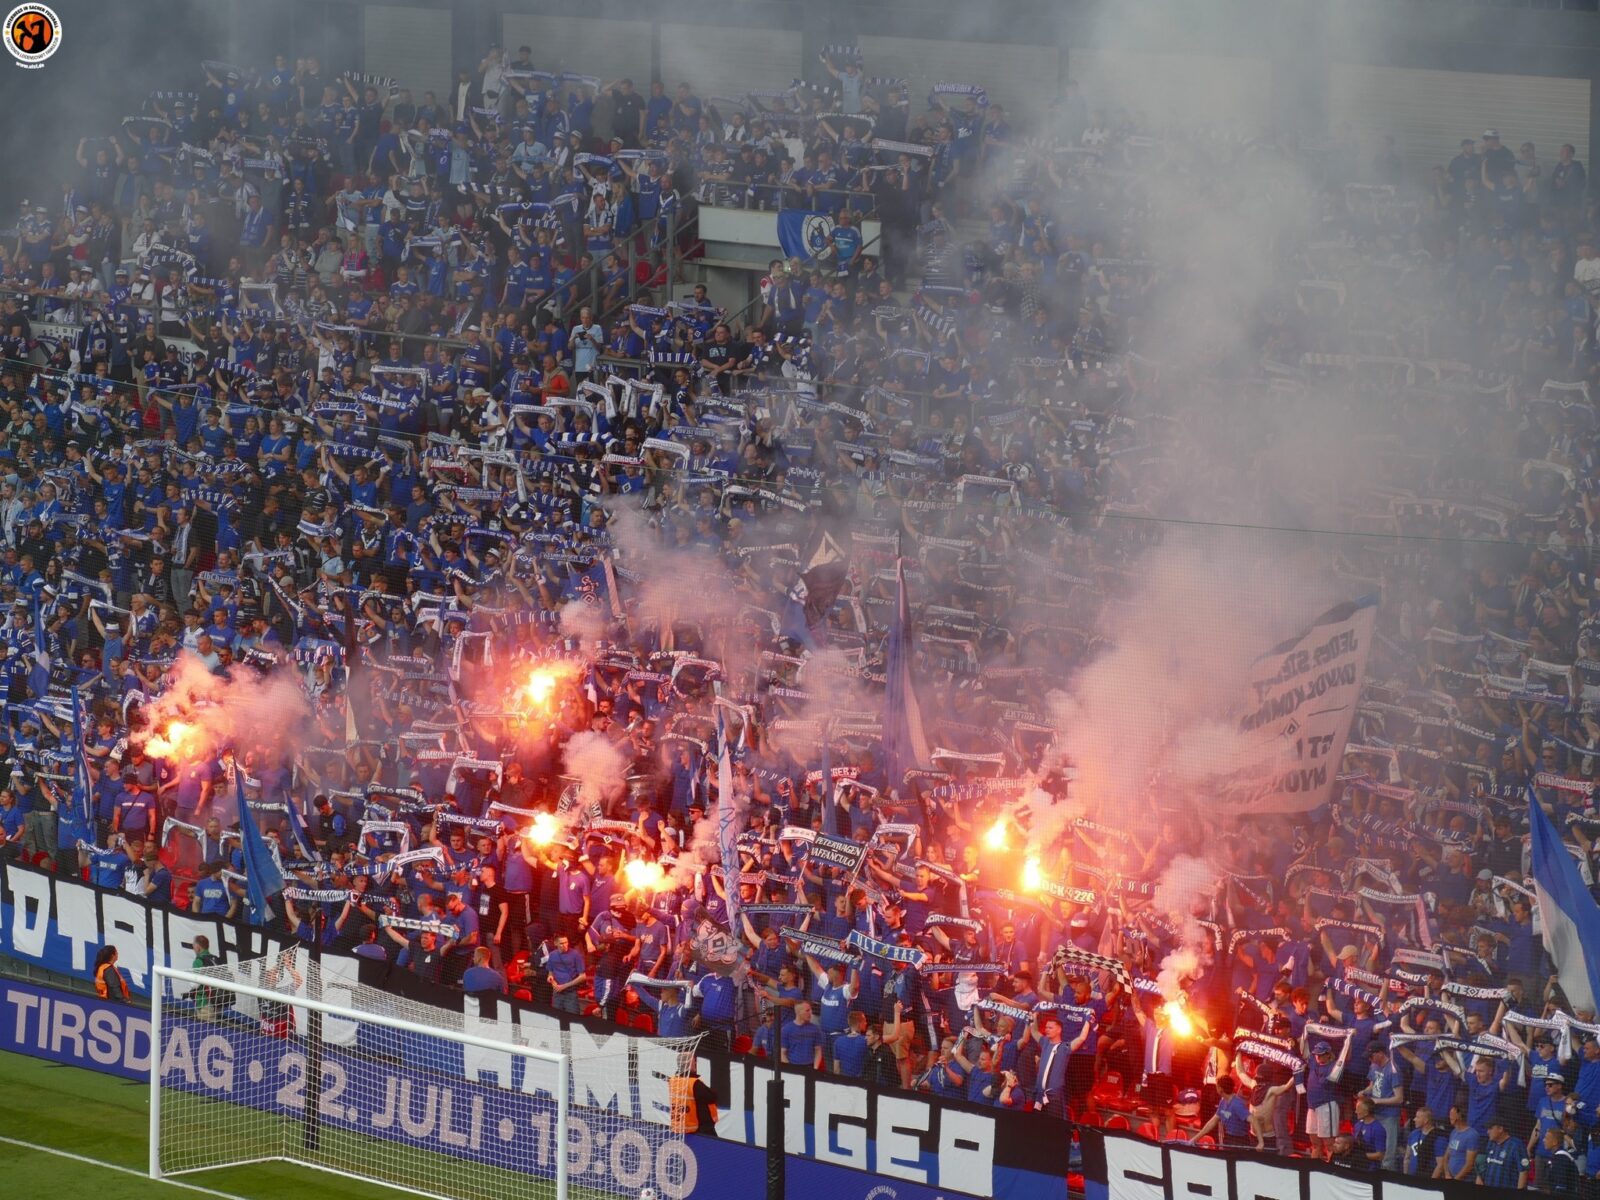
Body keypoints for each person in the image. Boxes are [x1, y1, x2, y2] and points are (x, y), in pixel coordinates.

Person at [1479, 1117, 1530, 1189]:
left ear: (1500, 1129)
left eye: (1490, 1128)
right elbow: (1485, 1164)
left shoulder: (1517, 1145)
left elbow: (1524, 1171)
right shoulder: (1490, 1143)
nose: (1488, 1132)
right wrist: (1479, 1177)